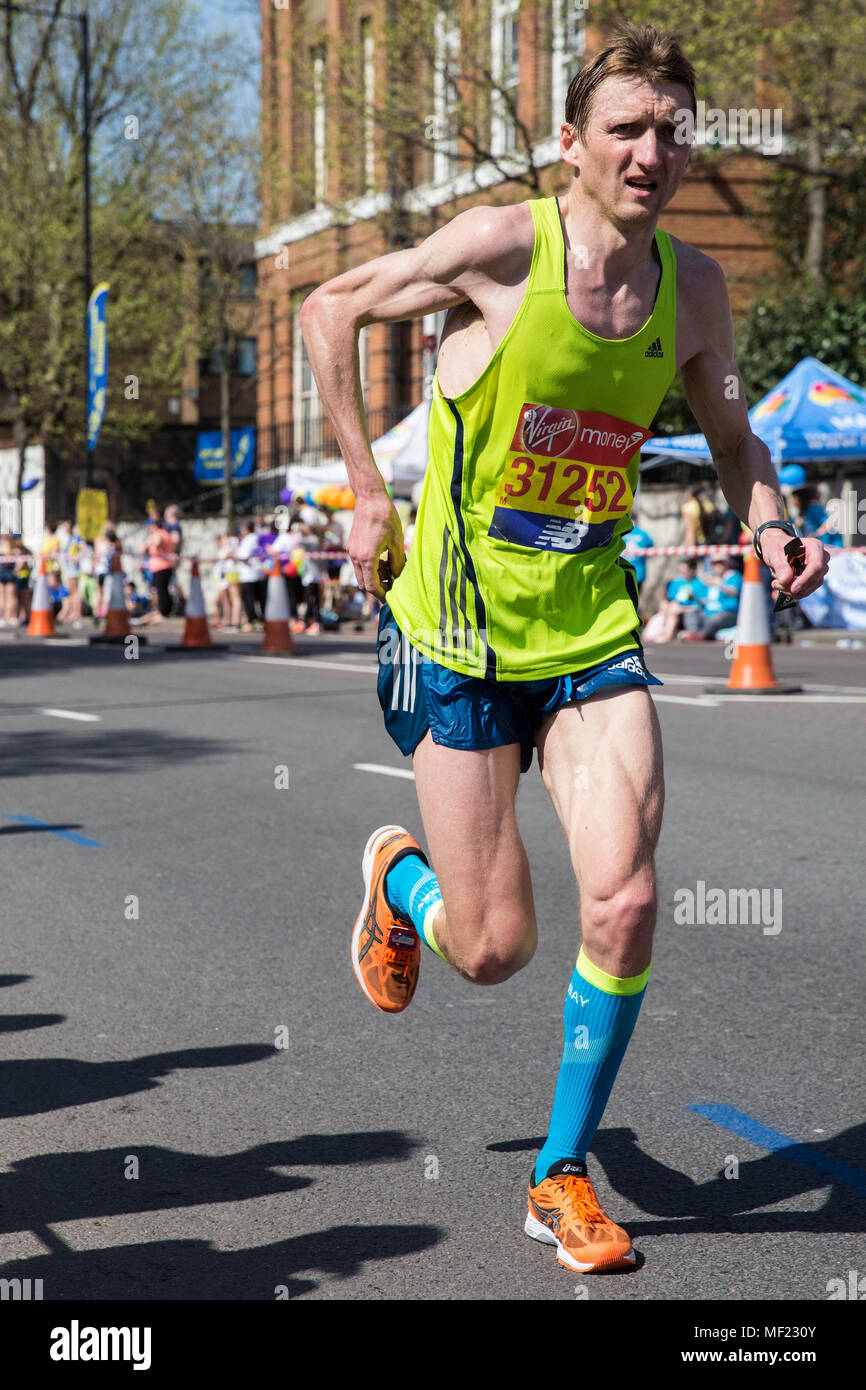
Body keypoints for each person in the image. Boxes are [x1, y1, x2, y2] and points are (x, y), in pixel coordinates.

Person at [301, 21, 829, 1276]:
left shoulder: (693, 289)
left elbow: (730, 432)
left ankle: (559, 1174)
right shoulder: (498, 251)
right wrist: (367, 490)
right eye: (625, 131)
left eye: (670, 133)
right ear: (571, 148)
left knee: (628, 894)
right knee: (491, 951)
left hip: (591, 626)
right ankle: (400, 877)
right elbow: (327, 307)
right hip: (463, 627)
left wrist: (767, 519)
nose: (650, 153)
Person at [682, 556, 743, 640]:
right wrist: (693, 596)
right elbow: (703, 600)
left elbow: (735, 592)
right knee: (691, 612)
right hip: (708, 613)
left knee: (715, 618)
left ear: (727, 563)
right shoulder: (709, 579)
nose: (717, 566)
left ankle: (701, 636)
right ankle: (693, 634)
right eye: (714, 564)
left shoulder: (734, 576)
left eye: (720, 563)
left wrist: (719, 584)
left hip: (727, 613)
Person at [643, 558, 702, 643]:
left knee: (674, 609)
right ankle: (655, 633)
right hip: (672, 610)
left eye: (685, 571)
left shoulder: (699, 584)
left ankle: (667, 635)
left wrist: (692, 597)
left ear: (692, 570)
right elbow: (670, 599)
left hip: (689, 610)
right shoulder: (676, 582)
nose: (683, 574)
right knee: (665, 605)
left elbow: (701, 604)